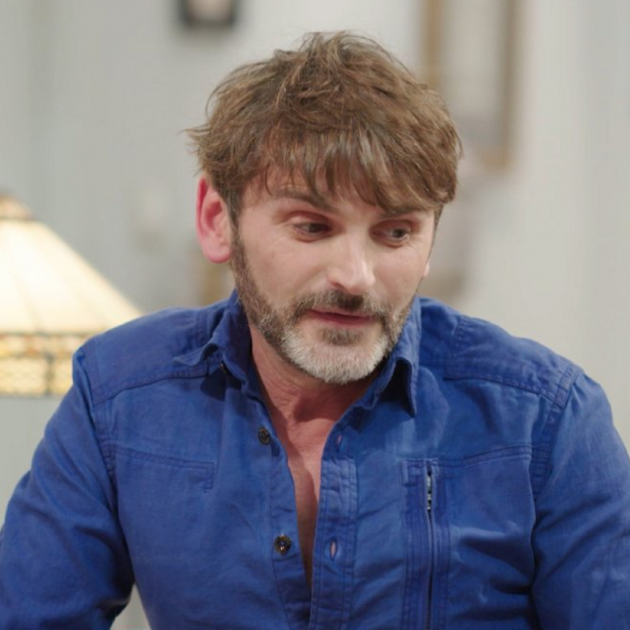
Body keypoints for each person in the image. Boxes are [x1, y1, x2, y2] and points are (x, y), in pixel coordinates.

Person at [1, 31, 629, 630]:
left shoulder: (547, 420)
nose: (355, 276)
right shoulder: (119, 397)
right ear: (218, 220)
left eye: (396, 233)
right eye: (312, 227)